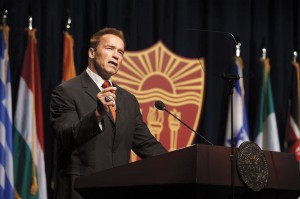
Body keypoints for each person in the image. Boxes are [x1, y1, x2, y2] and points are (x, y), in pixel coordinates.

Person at [50, 27, 167, 199]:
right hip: (79, 192)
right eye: (110, 48)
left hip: (116, 191)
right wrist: (97, 114)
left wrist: (181, 160)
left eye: (120, 52)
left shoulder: (128, 100)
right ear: (91, 52)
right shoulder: (66, 92)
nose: (116, 55)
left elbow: (147, 145)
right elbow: (65, 137)